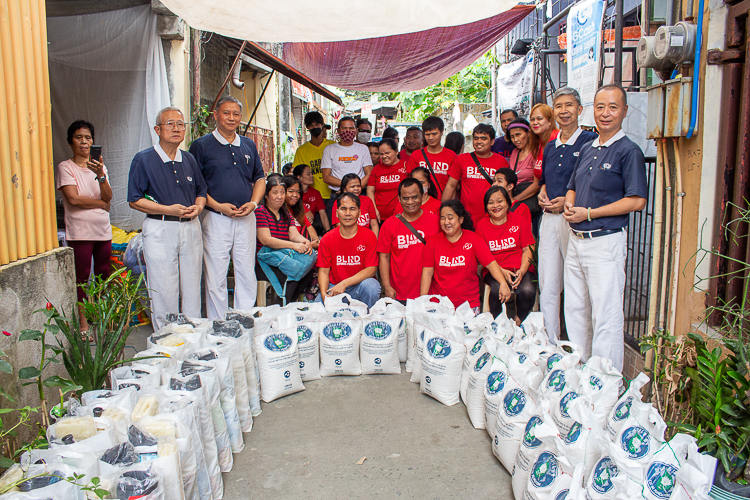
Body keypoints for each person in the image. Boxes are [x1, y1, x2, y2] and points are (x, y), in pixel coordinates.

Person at [563, 85, 648, 372]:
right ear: (592, 110)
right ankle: (580, 370)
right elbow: (572, 186)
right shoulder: (588, 147)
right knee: (575, 309)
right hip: (576, 239)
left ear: (624, 111)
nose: (606, 113)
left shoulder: (629, 151)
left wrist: (589, 213)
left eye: (613, 107)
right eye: (600, 107)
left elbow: (636, 200)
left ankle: (604, 378)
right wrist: (570, 206)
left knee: (605, 315)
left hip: (605, 241)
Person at [127, 107, 206, 329]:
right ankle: (166, 336)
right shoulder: (144, 159)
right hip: (160, 227)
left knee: (192, 286)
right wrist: (168, 209)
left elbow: (201, 191)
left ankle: (193, 335)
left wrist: (199, 208)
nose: (176, 129)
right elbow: (134, 200)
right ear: (157, 129)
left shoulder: (188, 159)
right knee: (163, 288)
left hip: (190, 227)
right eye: (170, 124)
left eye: (181, 124)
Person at [189, 96, 265, 320]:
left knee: (245, 272)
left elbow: (259, 177)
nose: (231, 118)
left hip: (246, 218)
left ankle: (244, 319)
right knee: (216, 274)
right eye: (226, 113)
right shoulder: (201, 145)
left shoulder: (248, 144)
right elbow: (196, 184)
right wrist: (218, 207)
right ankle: (219, 324)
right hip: (215, 218)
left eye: (236, 114)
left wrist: (253, 203)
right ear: (216, 115)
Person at [538, 87, 598, 341]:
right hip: (549, 219)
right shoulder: (550, 145)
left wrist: (567, 200)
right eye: (559, 106)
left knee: (575, 286)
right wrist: (542, 192)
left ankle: (579, 347)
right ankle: (551, 342)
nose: (564, 111)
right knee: (548, 283)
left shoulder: (589, 142)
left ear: (580, 110)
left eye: (569, 105)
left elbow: (590, 181)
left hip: (572, 220)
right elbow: (545, 179)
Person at [57, 120, 112, 332]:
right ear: (71, 141)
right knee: (81, 277)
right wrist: (101, 204)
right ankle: (82, 323)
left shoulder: (100, 168)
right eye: (79, 137)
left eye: (88, 138)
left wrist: (100, 176)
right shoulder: (66, 167)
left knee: (103, 274)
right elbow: (74, 200)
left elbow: (109, 195)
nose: (84, 142)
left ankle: (99, 316)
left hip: (102, 230)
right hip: (80, 231)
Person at [421, 200, 510, 312]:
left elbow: (491, 263)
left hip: (468, 305)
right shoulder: (433, 242)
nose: (446, 222)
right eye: (443, 218)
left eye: (450, 217)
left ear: (461, 219)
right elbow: (427, 273)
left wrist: (502, 283)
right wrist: (422, 301)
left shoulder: (474, 239)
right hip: (439, 305)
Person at [476, 186, 536, 324]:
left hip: (520, 268)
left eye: (499, 201)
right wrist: (501, 272)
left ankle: (519, 321)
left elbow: (528, 248)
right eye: (491, 203)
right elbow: (484, 257)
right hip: (495, 269)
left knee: (527, 289)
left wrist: (522, 270)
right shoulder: (481, 226)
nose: (495, 206)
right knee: (496, 290)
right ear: (486, 206)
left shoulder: (519, 221)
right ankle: (497, 325)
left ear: (508, 202)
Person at [377, 178, 440, 303]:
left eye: (415, 197)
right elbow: (384, 257)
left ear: (422, 196)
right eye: (405, 198)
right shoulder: (389, 225)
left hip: (430, 292)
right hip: (399, 293)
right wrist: (387, 287)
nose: (410, 202)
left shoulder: (435, 221)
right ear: (399, 199)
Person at [255, 175, 315, 304]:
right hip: (265, 262)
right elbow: (266, 240)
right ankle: (282, 307)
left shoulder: (286, 214)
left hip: (283, 258)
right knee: (291, 274)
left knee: (308, 272)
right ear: (266, 195)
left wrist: (304, 241)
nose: (280, 196)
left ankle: (287, 305)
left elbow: (293, 235)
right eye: (275, 192)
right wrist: (293, 246)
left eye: (282, 192)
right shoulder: (261, 212)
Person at [316, 193, 381, 308]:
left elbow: (371, 269)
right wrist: (324, 295)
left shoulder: (369, 236)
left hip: (358, 286)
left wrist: (345, 283)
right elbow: (324, 271)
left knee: (371, 286)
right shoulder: (327, 238)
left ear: (359, 213)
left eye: (352, 209)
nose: (347, 213)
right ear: (336, 213)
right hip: (334, 286)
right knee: (317, 306)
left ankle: (367, 318)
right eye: (343, 209)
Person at [443, 124, 509, 226]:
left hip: (492, 216)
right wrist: (444, 210)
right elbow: (451, 185)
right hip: (466, 217)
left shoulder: (501, 161)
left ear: (492, 141)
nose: (479, 142)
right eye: (476, 138)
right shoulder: (462, 159)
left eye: (483, 138)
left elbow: (505, 190)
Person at [321, 116, 373, 198]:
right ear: (338, 131)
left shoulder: (363, 149)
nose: (348, 131)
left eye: (351, 128)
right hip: (338, 194)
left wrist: (355, 189)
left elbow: (369, 174)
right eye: (344, 128)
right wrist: (347, 187)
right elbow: (326, 177)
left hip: (359, 193)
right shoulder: (329, 149)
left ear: (356, 131)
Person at [293, 111, 335, 212]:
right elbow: (297, 174)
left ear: (322, 125)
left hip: (332, 194)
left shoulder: (332, 146)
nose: (315, 127)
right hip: (312, 197)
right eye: (311, 125)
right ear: (307, 128)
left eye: (317, 124)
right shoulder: (301, 150)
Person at [506, 117, 541, 235]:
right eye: (512, 137)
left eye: (518, 134)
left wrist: (515, 200)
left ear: (528, 133)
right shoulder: (515, 152)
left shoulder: (536, 152)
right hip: (518, 206)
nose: (515, 139)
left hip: (530, 205)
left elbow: (537, 184)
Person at [407, 116, 457, 197]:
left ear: (441, 132)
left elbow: (453, 186)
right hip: (421, 204)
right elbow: (411, 182)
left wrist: (446, 206)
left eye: (434, 134)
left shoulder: (452, 156)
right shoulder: (416, 155)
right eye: (427, 134)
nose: (431, 138)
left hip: (443, 203)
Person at [367, 138, 410, 221]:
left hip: (401, 216)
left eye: (387, 153)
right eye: (381, 154)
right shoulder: (376, 169)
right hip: (380, 217)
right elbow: (370, 191)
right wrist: (374, 210)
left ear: (396, 151)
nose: (384, 156)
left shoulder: (405, 166)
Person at [284, 175, 320, 249]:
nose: (295, 195)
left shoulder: (298, 210)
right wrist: (310, 245)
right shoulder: (280, 211)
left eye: (298, 192)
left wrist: (316, 241)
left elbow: (309, 227)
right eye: (291, 191)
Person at [293, 163, 331, 234]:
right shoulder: (293, 194)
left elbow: (323, 215)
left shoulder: (315, 193)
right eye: (308, 174)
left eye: (311, 173)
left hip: (310, 227)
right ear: (299, 177)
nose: (312, 176)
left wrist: (328, 232)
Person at [529, 103, 560, 181]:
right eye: (532, 119)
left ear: (550, 121)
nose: (535, 122)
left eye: (539, 119)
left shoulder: (559, 138)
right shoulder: (539, 143)